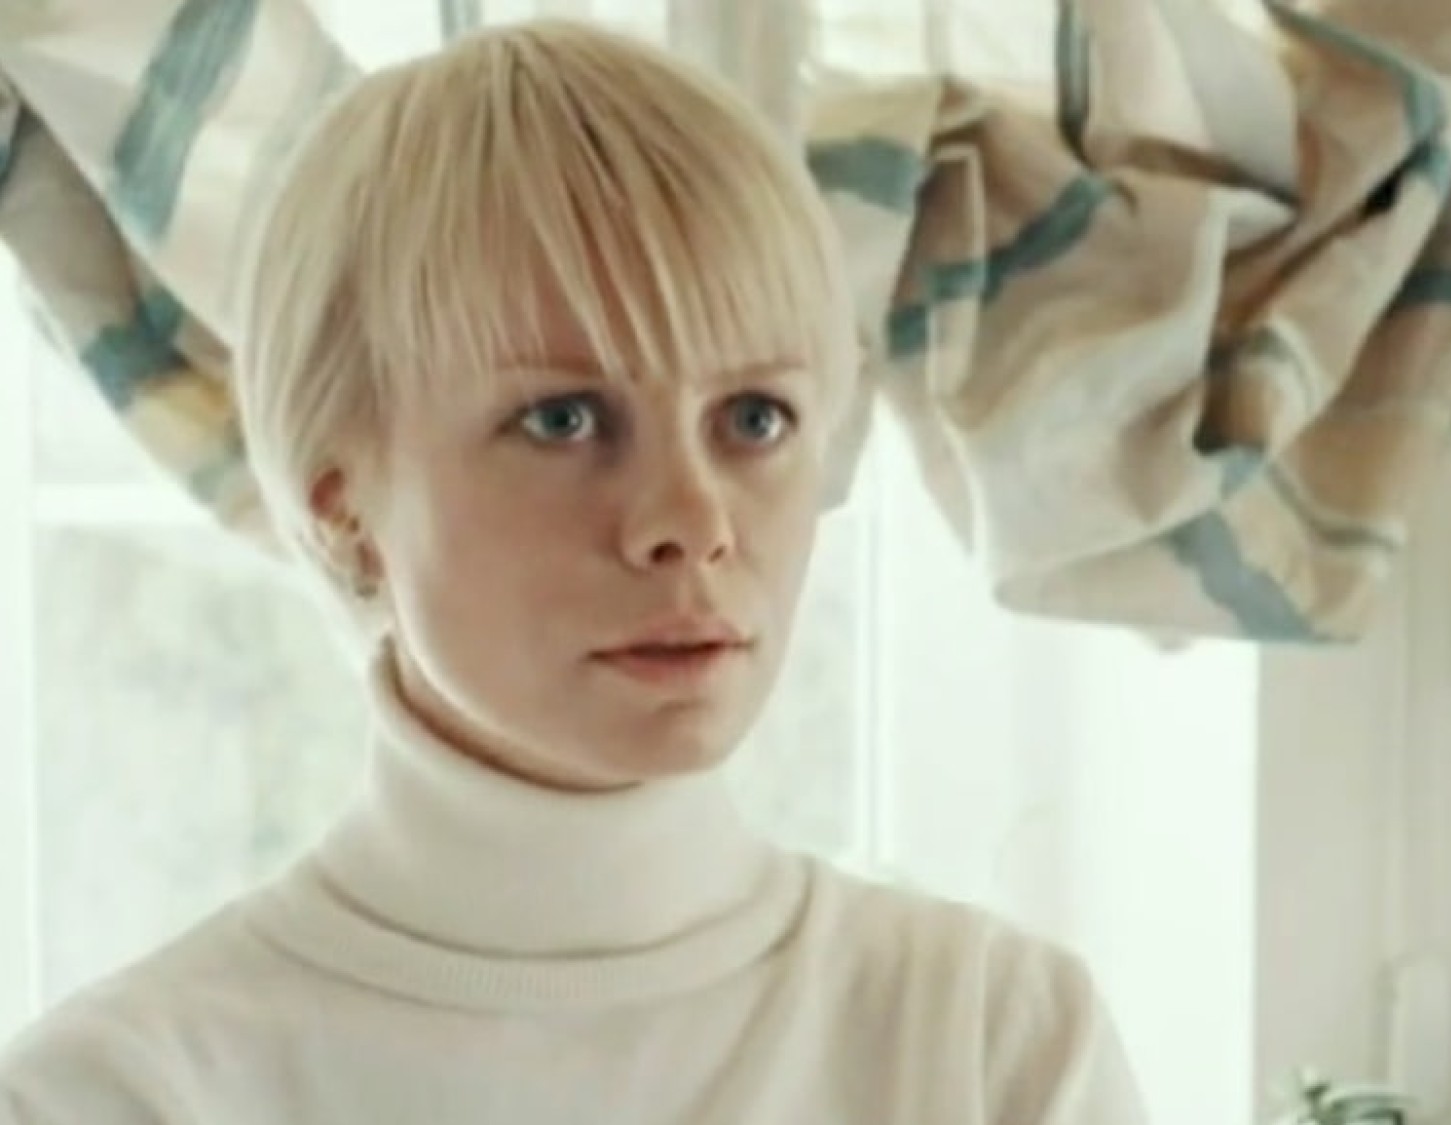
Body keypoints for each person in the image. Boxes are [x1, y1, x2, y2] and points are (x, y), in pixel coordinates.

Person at [0, 20, 1147, 1123]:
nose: (691, 521)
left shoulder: (994, 1044)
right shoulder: (116, 1097)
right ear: (341, 506)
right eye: (562, 419)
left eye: (755, 417)